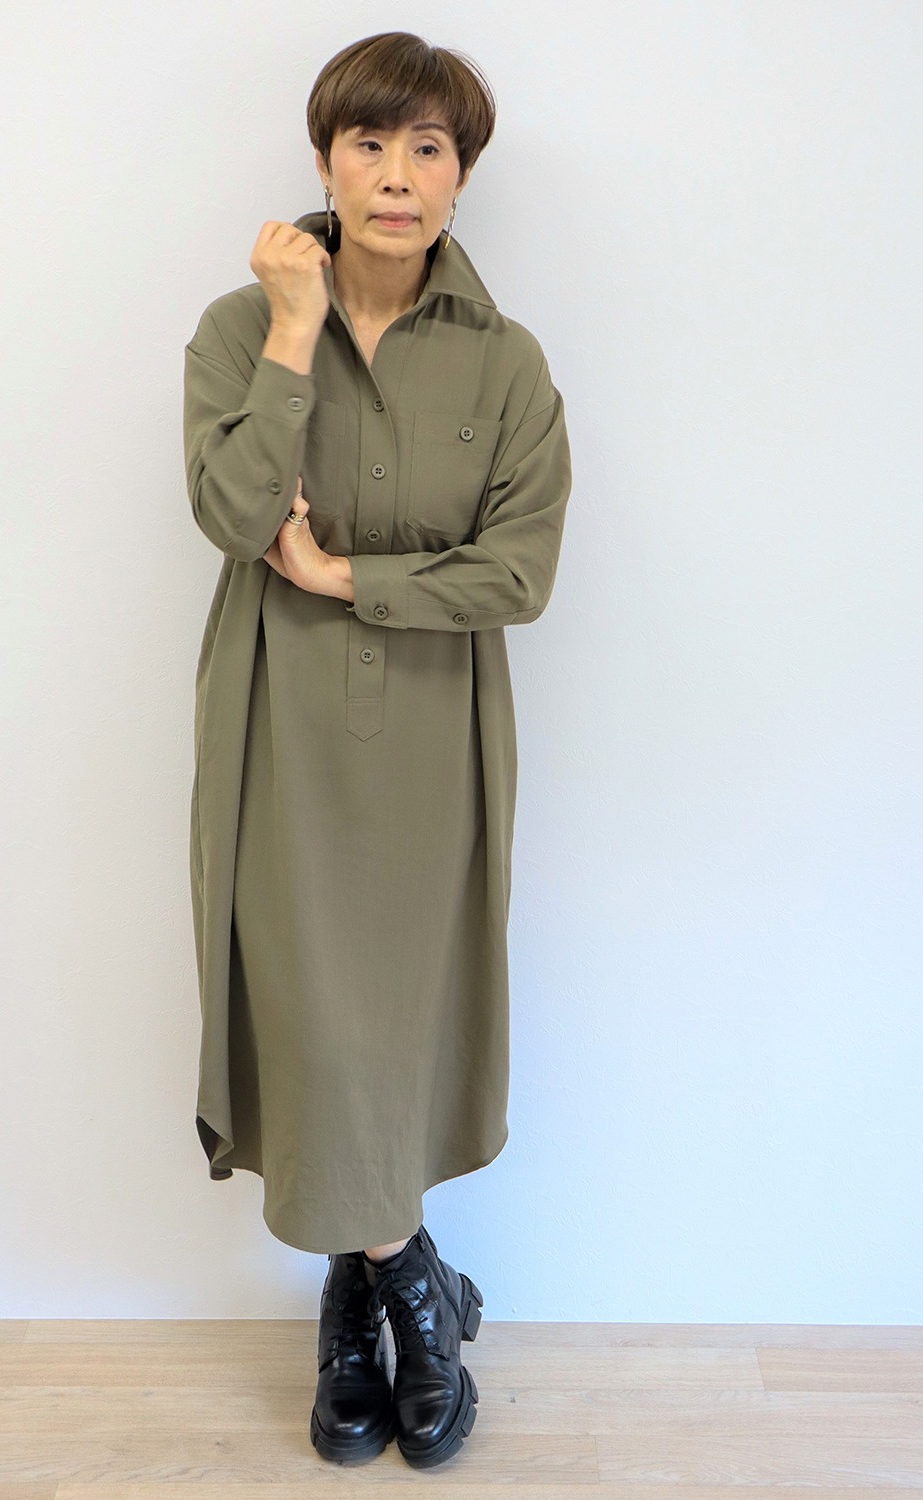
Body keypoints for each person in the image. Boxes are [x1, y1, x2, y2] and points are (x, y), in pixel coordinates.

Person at [180, 31, 573, 1470]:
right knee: (313, 1020)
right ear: (325, 162)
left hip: (433, 734)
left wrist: (349, 577)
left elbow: (520, 571)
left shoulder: (508, 361)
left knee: (402, 1019)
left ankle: (359, 1301)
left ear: (461, 177)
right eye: (369, 144)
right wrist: (293, 332)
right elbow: (232, 513)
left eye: (428, 148)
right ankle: (409, 1282)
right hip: (278, 723)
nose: (397, 176)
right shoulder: (239, 328)